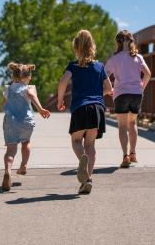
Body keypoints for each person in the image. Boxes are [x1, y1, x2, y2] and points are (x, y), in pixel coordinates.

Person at [57, 30, 113, 194]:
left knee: (76, 142)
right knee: (90, 145)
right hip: (97, 109)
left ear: (76, 47)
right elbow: (109, 89)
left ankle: (84, 168)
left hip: (80, 107)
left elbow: (63, 82)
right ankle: (88, 179)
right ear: (92, 46)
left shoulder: (73, 66)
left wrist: (60, 101)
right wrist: (96, 94)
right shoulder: (100, 66)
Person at [105, 30, 151, 168]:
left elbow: (104, 74)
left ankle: (125, 156)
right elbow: (148, 74)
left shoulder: (115, 59)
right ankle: (133, 153)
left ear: (118, 42)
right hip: (136, 94)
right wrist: (141, 88)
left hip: (121, 94)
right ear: (131, 41)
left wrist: (109, 88)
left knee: (122, 126)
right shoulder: (138, 57)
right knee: (132, 123)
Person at [1, 62, 51, 191]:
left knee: (10, 150)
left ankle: (7, 170)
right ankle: (23, 165)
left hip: (11, 121)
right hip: (26, 121)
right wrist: (40, 109)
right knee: (26, 142)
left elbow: (4, 104)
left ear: (13, 76)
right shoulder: (29, 87)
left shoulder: (8, 88)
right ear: (27, 76)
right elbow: (32, 96)